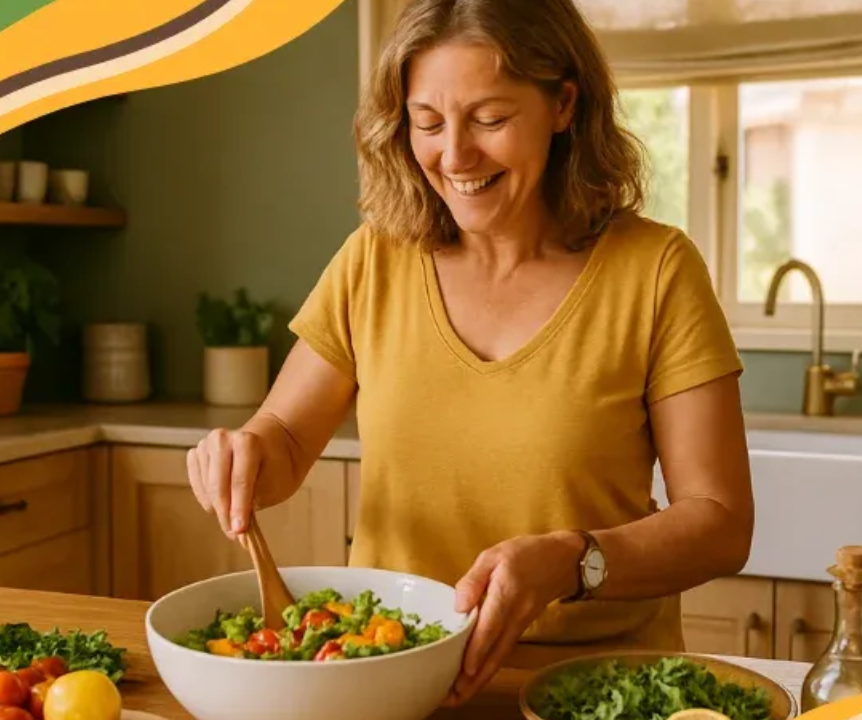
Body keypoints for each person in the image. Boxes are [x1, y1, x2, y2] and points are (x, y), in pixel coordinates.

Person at [185, 0, 755, 706]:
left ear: (564, 103)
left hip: (593, 688)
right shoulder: (374, 260)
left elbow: (721, 523)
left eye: (489, 119)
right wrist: (244, 457)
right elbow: (288, 437)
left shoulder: (657, 270)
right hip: (391, 674)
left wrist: (575, 561)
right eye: (427, 122)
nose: (454, 157)